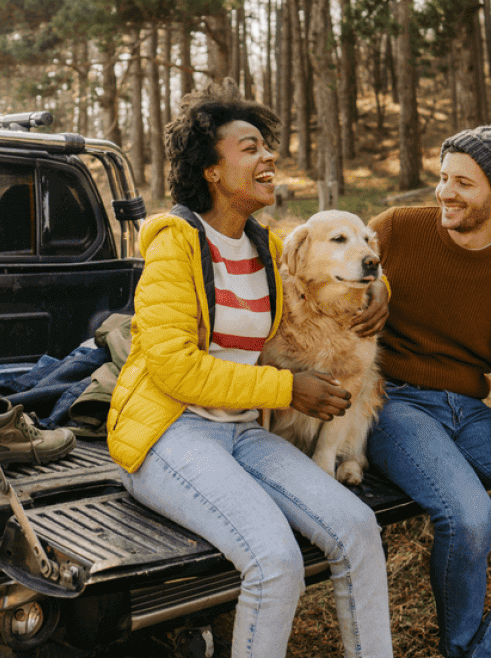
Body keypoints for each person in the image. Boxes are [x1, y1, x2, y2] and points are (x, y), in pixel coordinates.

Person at [108, 84, 394, 658]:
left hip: (242, 430)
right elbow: (174, 369)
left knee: (360, 531)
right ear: (212, 171)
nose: (268, 157)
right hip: (171, 432)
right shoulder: (176, 245)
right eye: (249, 148)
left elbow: (339, 252)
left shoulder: (267, 245)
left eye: (268, 146)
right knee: (275, 558)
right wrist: (288, 387)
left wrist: (381, 285)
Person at [367, 125, 491, 658]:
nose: (445, 192)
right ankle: (461, 647)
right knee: (468, 517)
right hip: (395, 402)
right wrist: (373, 285)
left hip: (470, 411)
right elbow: (332, 259)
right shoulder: (400, 228)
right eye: (442, 177)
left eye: (463, 183)